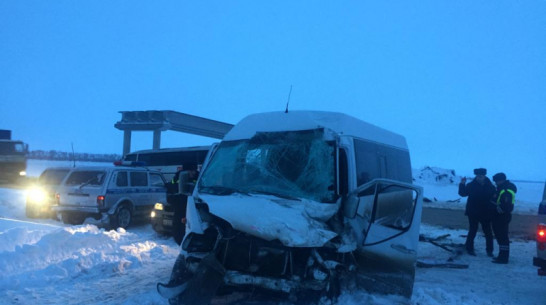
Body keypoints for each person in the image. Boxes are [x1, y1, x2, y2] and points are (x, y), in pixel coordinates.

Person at [458, 168, 496, 256]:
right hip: (473, 212)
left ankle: (489, 251)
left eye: (481, 176)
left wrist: (492, 207)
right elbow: (462, 193)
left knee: (488, 232)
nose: (480, 178)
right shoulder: (471, 185)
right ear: (476, 176)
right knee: (472, 231)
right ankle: (469, 248)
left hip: (486, 213)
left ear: (484, 176)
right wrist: (462, 183)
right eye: (478, 176)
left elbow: (495, 198)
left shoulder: (491, 186)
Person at [491, 172, 517, 264]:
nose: (495, 183)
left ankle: (503, 258)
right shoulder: (502, 188)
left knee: (502, 237)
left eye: (496, 181)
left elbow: (505, 206)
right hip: (499, 216)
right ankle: (501, 256)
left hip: (501, 217)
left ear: (501, 180)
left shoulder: (506, 190)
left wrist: (498, 208)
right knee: (500, 236)